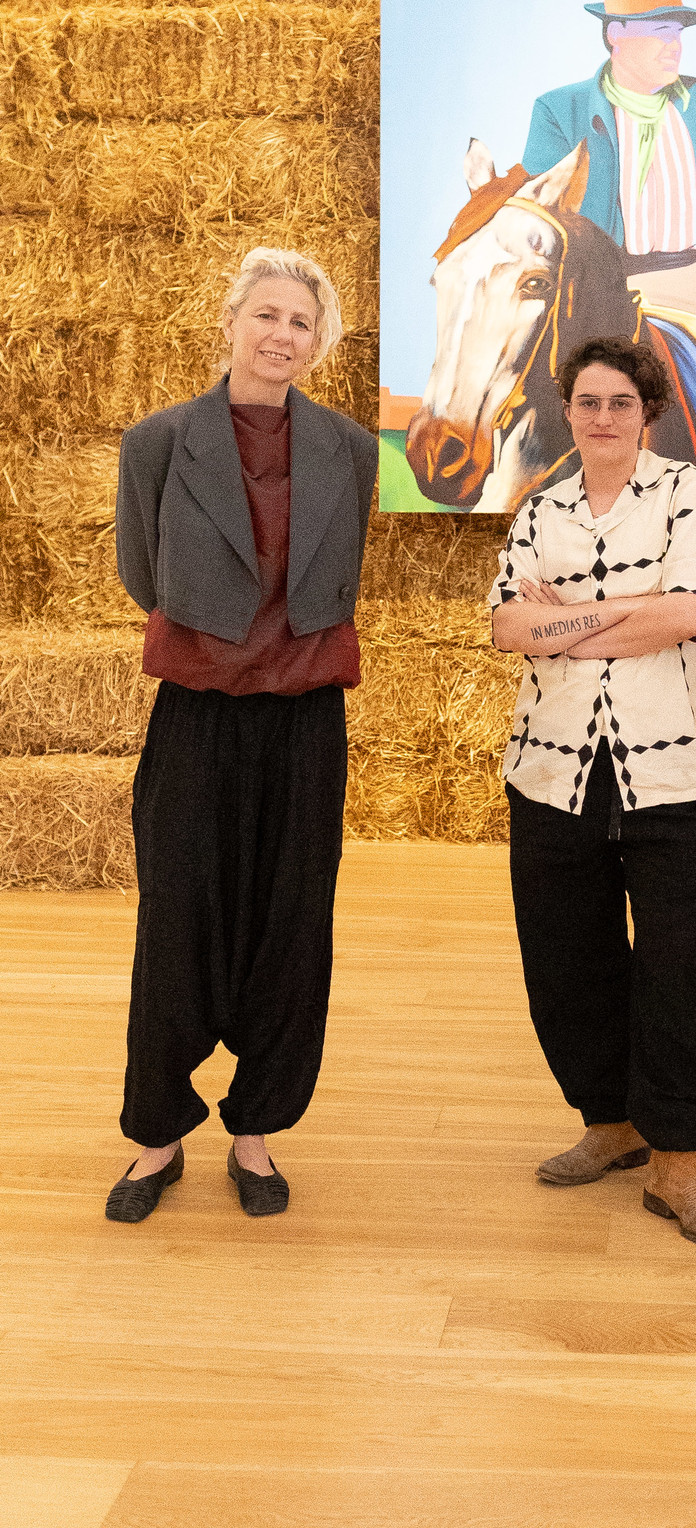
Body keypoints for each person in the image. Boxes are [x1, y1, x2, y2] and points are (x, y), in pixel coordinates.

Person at [105, 248, 378, 1224]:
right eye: (265, 315)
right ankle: (157, 1132)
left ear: (320, 341)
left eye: (301, 323)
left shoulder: (350, 449)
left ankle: (256, 1128)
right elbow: (146, 571)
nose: (281, 336)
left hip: (306, 718)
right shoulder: (158, 443)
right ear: (230, 321)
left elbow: (339, 571)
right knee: (177, 916)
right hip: (199, 712)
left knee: (292, 921)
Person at [490, 335, 696, 1250]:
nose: (604, 417)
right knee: (567, 959)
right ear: (569, 410)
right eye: (589, 402)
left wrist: (568, 619)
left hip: (669, 771)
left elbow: (690, 611)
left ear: (647, 413)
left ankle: (681, 1163)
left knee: (671, 964)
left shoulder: (690, 494)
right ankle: (612, 1122)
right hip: (552, 769)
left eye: (621, 404)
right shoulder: (541, 506)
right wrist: (611, 614)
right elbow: (507, 627)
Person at [522, 0, 696, 513]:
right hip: (610, 281)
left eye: (678, 32)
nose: (675, 46)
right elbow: (538, 216)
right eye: (660, 31)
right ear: (616, 36)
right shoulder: (559, 110)